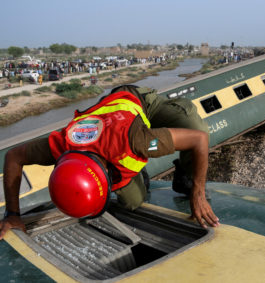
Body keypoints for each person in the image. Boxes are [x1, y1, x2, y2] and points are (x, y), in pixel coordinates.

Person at [0, 85, 219, 240]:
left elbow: (199, 140)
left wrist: (197, 192)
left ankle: (185, 178)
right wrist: (12, 215)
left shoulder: (136, 141)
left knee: (196, 127)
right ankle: (137, 176)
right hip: (107, 119)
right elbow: (13, 156)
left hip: (136, 101)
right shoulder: (61, 143)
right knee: (133, 202)